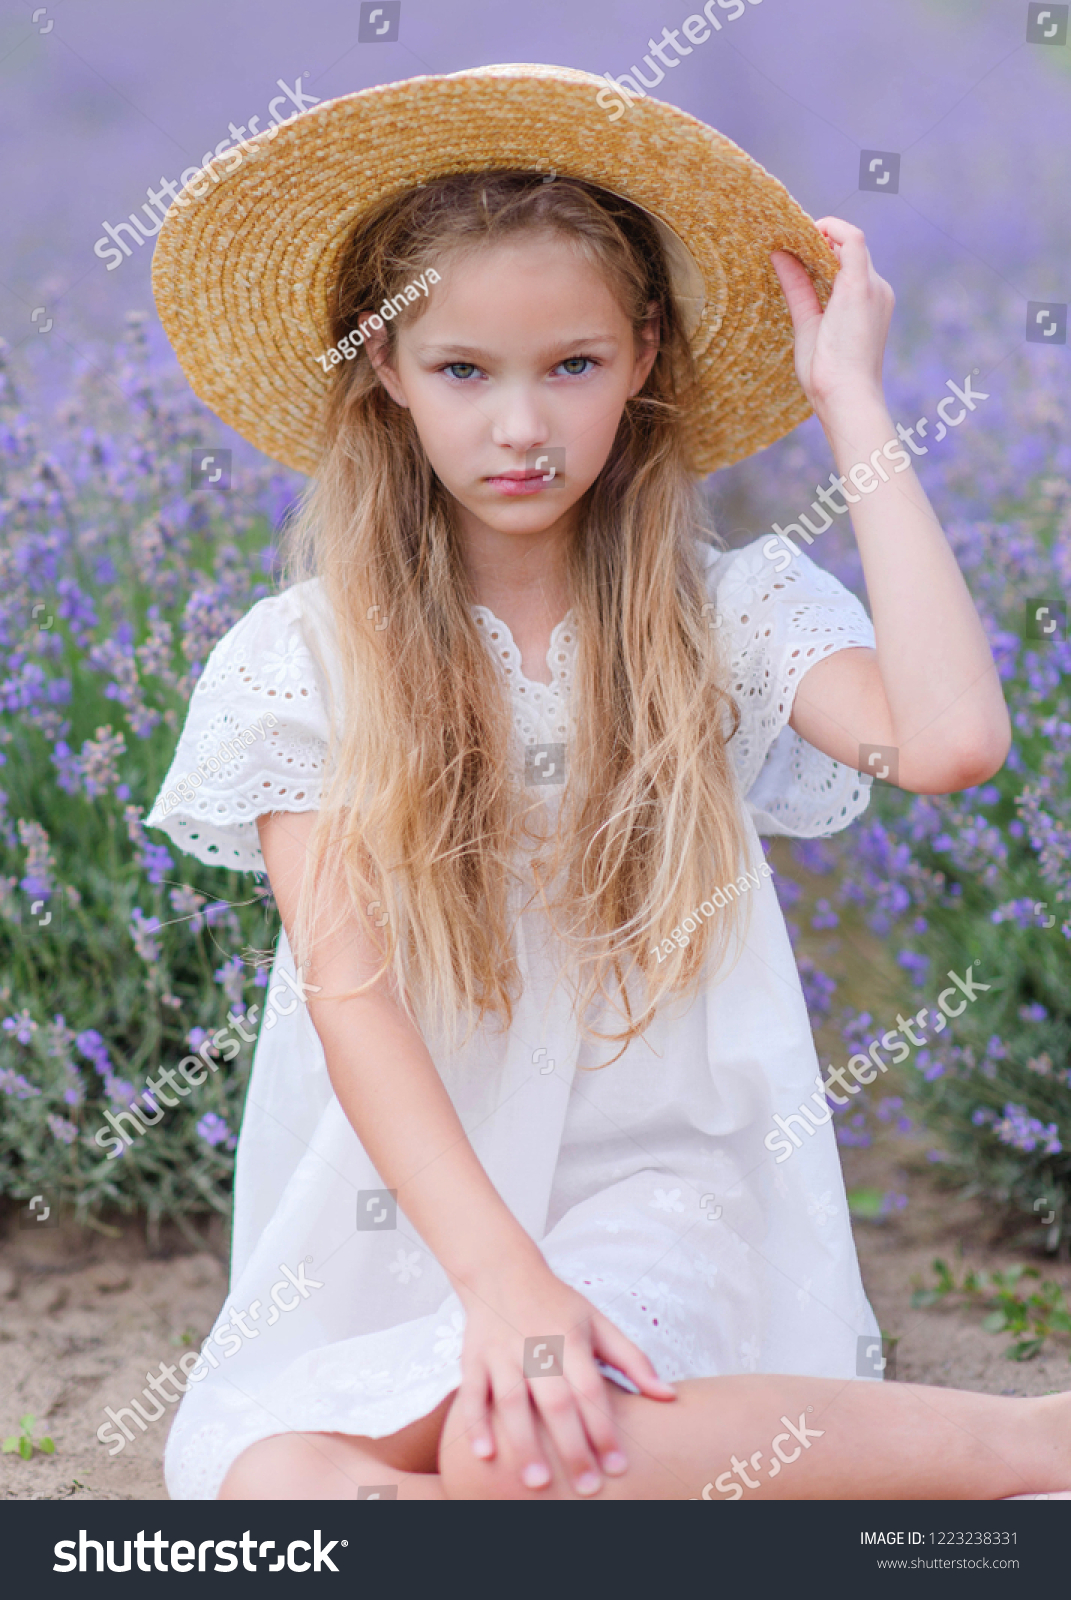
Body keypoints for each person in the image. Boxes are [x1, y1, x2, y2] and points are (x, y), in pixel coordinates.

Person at [145, 64, 1065, 1501]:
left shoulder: (729, 611)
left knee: (529, 1454)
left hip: (657, 1193)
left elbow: (947, 741)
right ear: (385, 368)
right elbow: (353, 1002)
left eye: (569, 365)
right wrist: (503, 1285)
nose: (522, 427)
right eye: (464, 370)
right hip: (399, 1221)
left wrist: (852, 400)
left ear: (642, 357)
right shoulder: (302, 659)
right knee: (279, 1491)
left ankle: (1034, 1443)